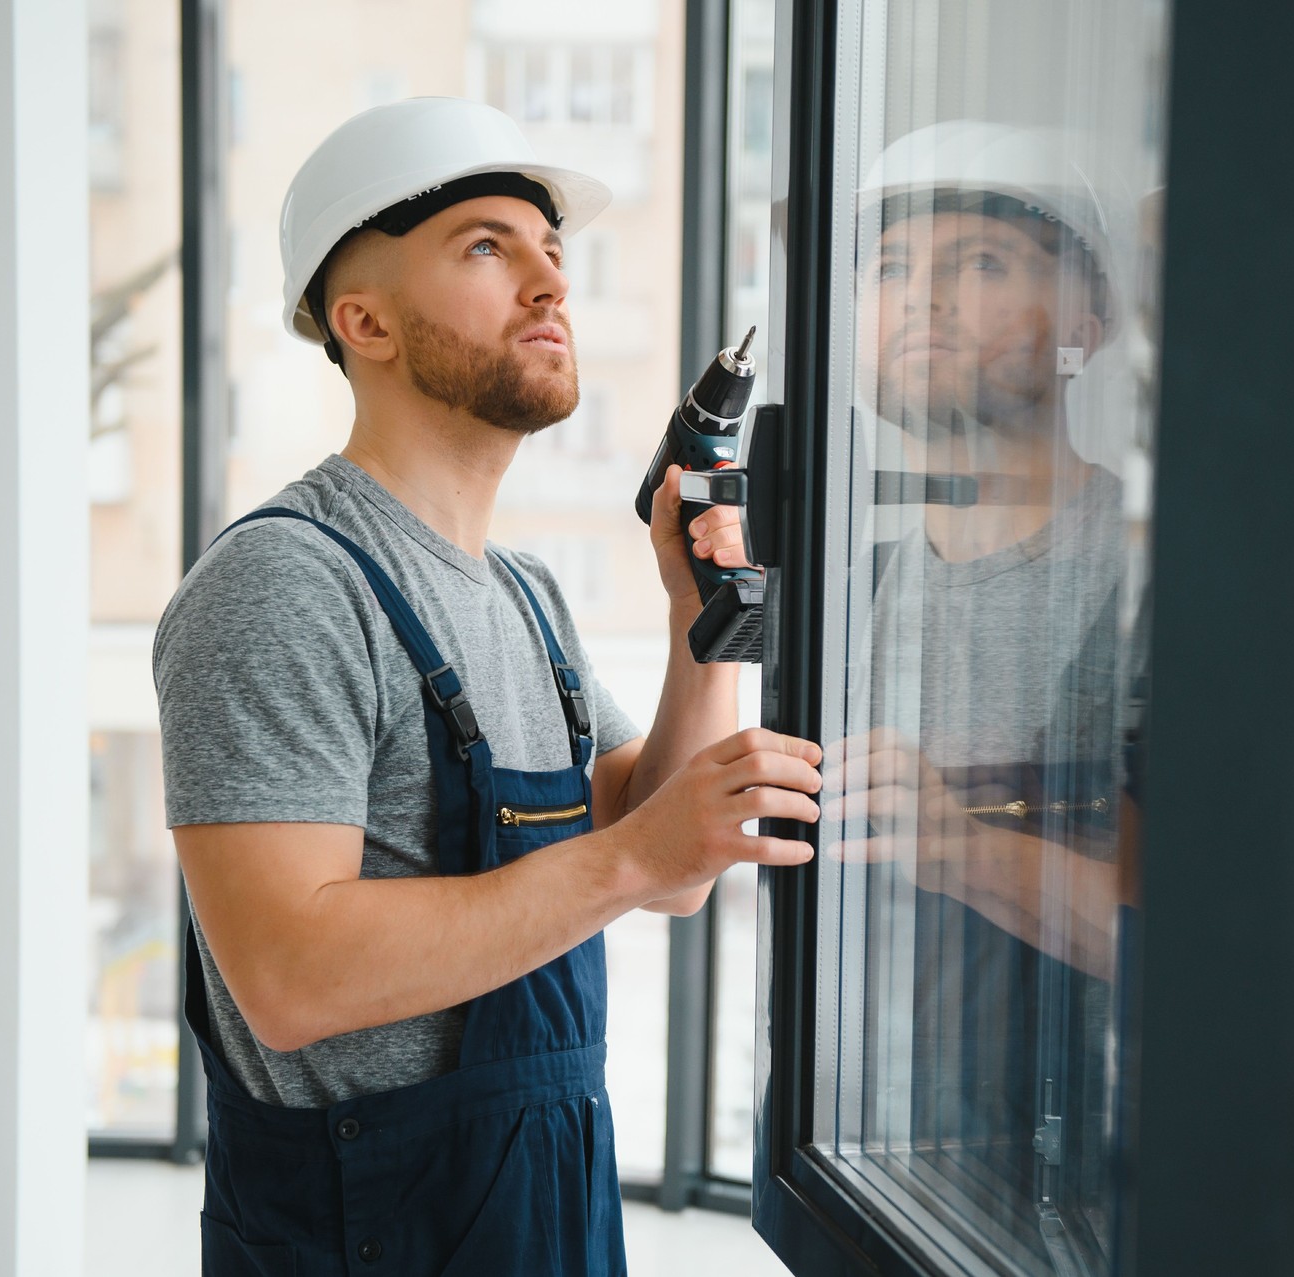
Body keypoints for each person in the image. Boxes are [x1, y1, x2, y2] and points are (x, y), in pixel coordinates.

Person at [152, 96, 822, 1276]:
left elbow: (662, 862)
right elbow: (291, 977)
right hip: (368, 1239)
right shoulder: (284, 583)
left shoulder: (526, 593)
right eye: (485, 246)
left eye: (553, 251)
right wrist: (629, 857)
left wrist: (694, 626)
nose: (550, 284)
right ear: (364, 320)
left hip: (545, 1216)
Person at [820, 119, 1152, 1224]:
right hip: (867, 1183)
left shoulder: (1154, 574)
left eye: (983, 261)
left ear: (1086, 324)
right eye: (892, 265)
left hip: (1087, 1202)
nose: (924, 296)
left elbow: (1201, 951)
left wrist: (959, 848)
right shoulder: (842, 592)